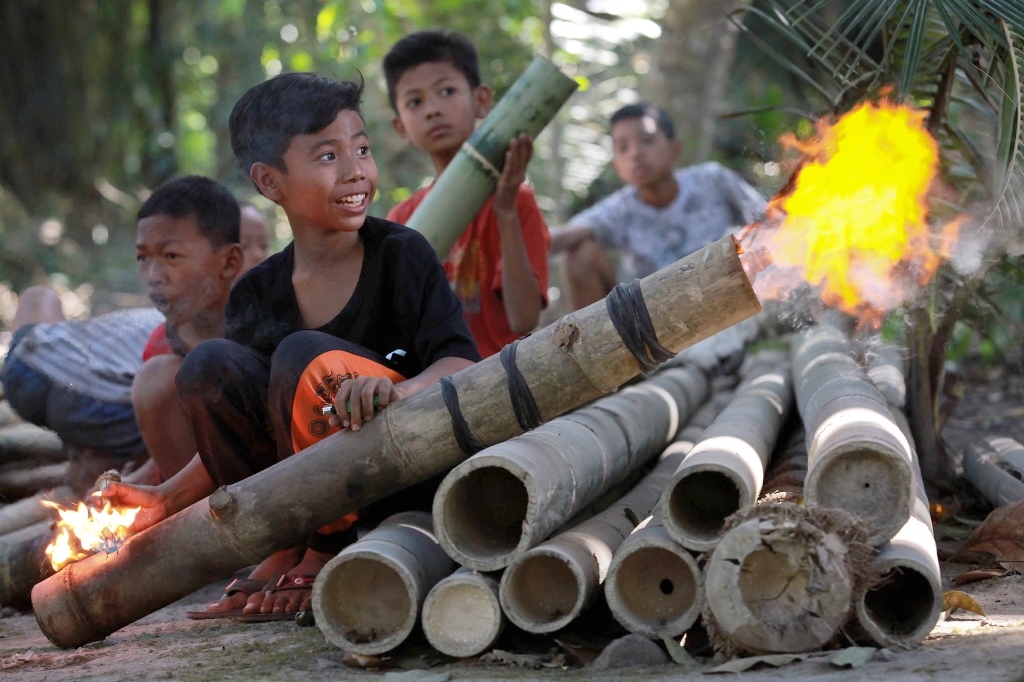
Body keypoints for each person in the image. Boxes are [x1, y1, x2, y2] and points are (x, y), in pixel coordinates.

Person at [103, 72, 480, 621]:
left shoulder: (403, 254)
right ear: (270, 181)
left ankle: (326, 547)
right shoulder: (259, 290)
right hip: (300, 498)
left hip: (395, 473)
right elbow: (253, 426)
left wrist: (398, 392)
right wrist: (164, 498)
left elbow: (459, 360)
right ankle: (283, 541)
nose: (356, 171)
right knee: (209, 365)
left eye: (362, 149)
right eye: (328, 156)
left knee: (305, 356)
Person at [0, 176, 245, 492]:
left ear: (230, 261)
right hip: (68, 390)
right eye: (143, 258)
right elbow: (167, 448)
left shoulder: (258, 325)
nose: (153, 276)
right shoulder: (160, 346)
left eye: (171, 256)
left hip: (38, 365)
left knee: (39, 297)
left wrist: (139, 486)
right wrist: (142, 485)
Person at [383, 29, 550, 359]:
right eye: (415, 102)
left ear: (482, 100)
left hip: (503, 375)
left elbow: (525, 319)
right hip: (432, 385)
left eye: (446, 91)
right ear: (401, 127)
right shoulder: (402, 220)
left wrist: (505, 212)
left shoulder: (517, 201)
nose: (432, 110)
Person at [551, 103, 767, 310]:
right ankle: (598, 346)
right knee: (580, 253)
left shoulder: (713, 180)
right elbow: (565, 236)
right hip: (657, 322)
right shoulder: (619, 210)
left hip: (733, 296)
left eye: (646, 140)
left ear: (674, 148)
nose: (634, 154)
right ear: (616, 164)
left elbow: (768, 219)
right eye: (623, 147)